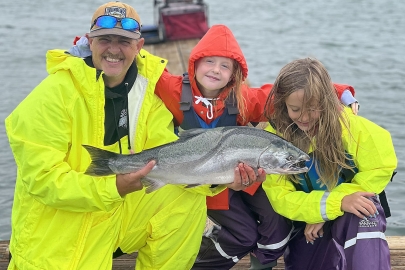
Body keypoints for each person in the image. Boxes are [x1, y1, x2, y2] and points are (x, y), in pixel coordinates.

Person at [68, 25, 359, 269]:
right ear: (194, 63)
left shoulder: (244, 98)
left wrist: (341, 93)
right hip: (190, 182)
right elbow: (139, 59)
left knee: (274, 223)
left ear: (235, 73)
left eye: (225, 65)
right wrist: (87, 45)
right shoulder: (171, 87)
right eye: (208, 61)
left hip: (230, 180)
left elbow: (284, 94)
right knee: (243, 232)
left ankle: (262, 258)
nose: (215, 70)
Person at [4, 2, 260, 269]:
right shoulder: (48, 98)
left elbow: (171, 157)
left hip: (117, 216)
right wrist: (114, 187)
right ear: (89, 42)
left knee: (186, 201)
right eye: (105, 40)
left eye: (124, 42)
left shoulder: (149, 94)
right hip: (60, 231)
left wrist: (223, 178)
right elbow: (43, 181)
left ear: (139, 47)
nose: (114, 49)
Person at [262, 57, 397, 270]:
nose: (304, 117)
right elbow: (281, 197)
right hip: (308, 218)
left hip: (353, 210)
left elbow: (382, 166)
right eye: (295, 109)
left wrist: (341, 203)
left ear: (325, 101)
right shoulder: (274, 140)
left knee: (364, 213)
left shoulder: (350, 126)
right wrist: (326, 209)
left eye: (312, 109)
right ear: (283, 104)